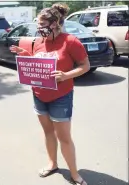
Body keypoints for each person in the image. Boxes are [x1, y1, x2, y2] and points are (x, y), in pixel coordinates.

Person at [10, 3, 90, 185]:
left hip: (61, 96)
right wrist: (25, 54)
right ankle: (52, 164)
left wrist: (66, 75)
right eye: (38, 25)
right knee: (48, 132)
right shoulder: (38, 41)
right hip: (38, 95)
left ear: (55, 24)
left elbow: (85, 66)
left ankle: (74, 173)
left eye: (42, 25)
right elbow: (39, 63)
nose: (39, 29)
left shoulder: (70, 41)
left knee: (64, 137)